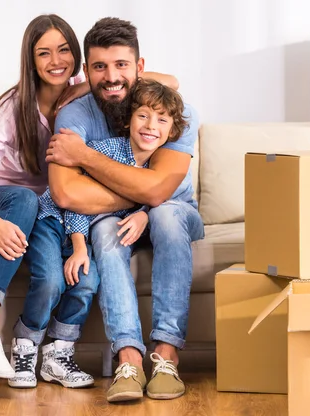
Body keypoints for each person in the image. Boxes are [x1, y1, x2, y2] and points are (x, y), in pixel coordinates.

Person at [0, 13, 179, 395]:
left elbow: (171, 83)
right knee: (18, 204)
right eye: (43, 53)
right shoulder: (12, 108)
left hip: (40, 214)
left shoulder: (87, 87)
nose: (56, 61)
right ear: (31, 60)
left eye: (63, 50)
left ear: (76, 58)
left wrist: (80, 86)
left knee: (27, 227)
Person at [45, 17, 205, 402]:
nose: (111, 77)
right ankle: (128, 359)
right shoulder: (75, 115)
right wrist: (141, 194)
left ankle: (166, 356)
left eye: (121, 65)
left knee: (164, 214)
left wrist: (84, 156)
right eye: (99, 67)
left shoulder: (171, 111)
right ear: (87, 70)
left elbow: (161, 190)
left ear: (140, 68)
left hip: (175, 211)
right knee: (104, 231)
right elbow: (66, 194)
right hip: (111, 219)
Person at [8, 78, 187, 390]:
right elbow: (77, 200)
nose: (150, 127)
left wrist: (144, 213)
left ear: (171, 131)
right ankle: (24, 348)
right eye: (142, 116)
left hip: (81, 230)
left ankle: (58, 354)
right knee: (52, 280)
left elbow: (151, 196)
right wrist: (79, 246)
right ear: (128, 119)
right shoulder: (107, 152)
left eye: (161, 120)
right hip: (54, 220)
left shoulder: (152, 168)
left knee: (87, 280)